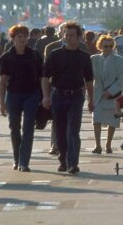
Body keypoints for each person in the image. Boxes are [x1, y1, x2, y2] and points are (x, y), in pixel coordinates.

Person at [41, 22, 95, 175]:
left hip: (76, 96)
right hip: (58, 95)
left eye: (72, 35)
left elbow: (89, 81)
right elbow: (45, 77)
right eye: (66, 35)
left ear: (79, 37)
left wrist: (91, 100)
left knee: (73, 131)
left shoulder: (84, 56)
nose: (68, 38)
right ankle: (63, 159)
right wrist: (46, 96)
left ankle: (73, 163)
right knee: (60, 131)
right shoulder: (55, 55)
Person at [0, 25, 44, 172]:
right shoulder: (6, 57)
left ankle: (24, 162)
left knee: (28, 127)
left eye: (25, 36)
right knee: (14, 128)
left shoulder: (35, 55)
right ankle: (17, 159)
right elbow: (3, 80)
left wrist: (45, 96)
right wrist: (2, 103)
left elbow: (42, 77)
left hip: (32, 94)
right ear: (13, 39)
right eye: (19, 36)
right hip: (13, 95)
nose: (23, 39)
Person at [90, 35, 123, 154]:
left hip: (113, 94)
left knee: (112, 120)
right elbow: (89, 77)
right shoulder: (94, 59)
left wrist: (110, 91)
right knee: (96, 119)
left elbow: (121, 79)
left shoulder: (120, 60)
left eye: (111, 46)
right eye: (105, 46)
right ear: (100, 46)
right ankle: (97, 145)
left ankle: (108, 144)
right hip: (98, 93)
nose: (108, 48)